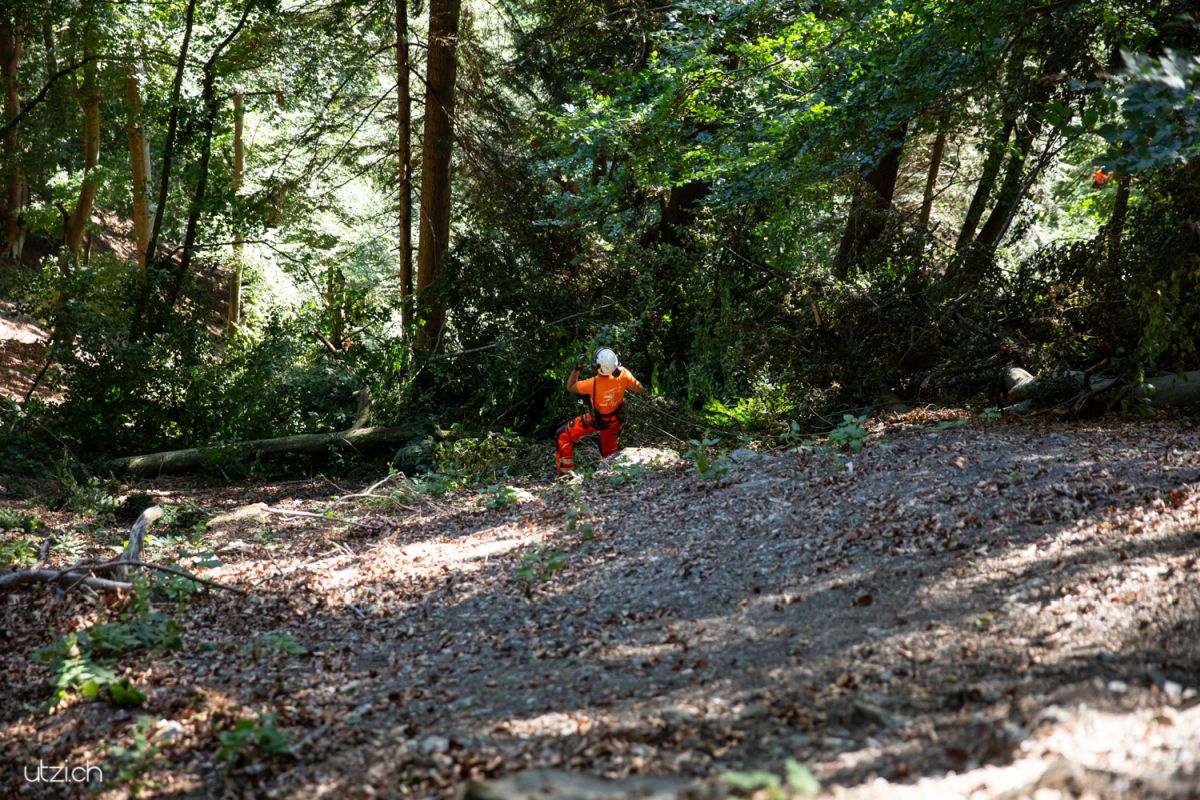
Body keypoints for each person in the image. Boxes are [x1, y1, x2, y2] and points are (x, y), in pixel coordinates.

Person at [555, 347, 644, 475]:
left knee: (562, 435)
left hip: (597, 419)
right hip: (614, 422)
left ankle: (565, 474)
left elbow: (570, 386)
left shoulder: (592, 383)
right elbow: (639, 389)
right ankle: (606, 474)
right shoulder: (623, 374)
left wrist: (577, 368)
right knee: (608, 458)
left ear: (597, 367)